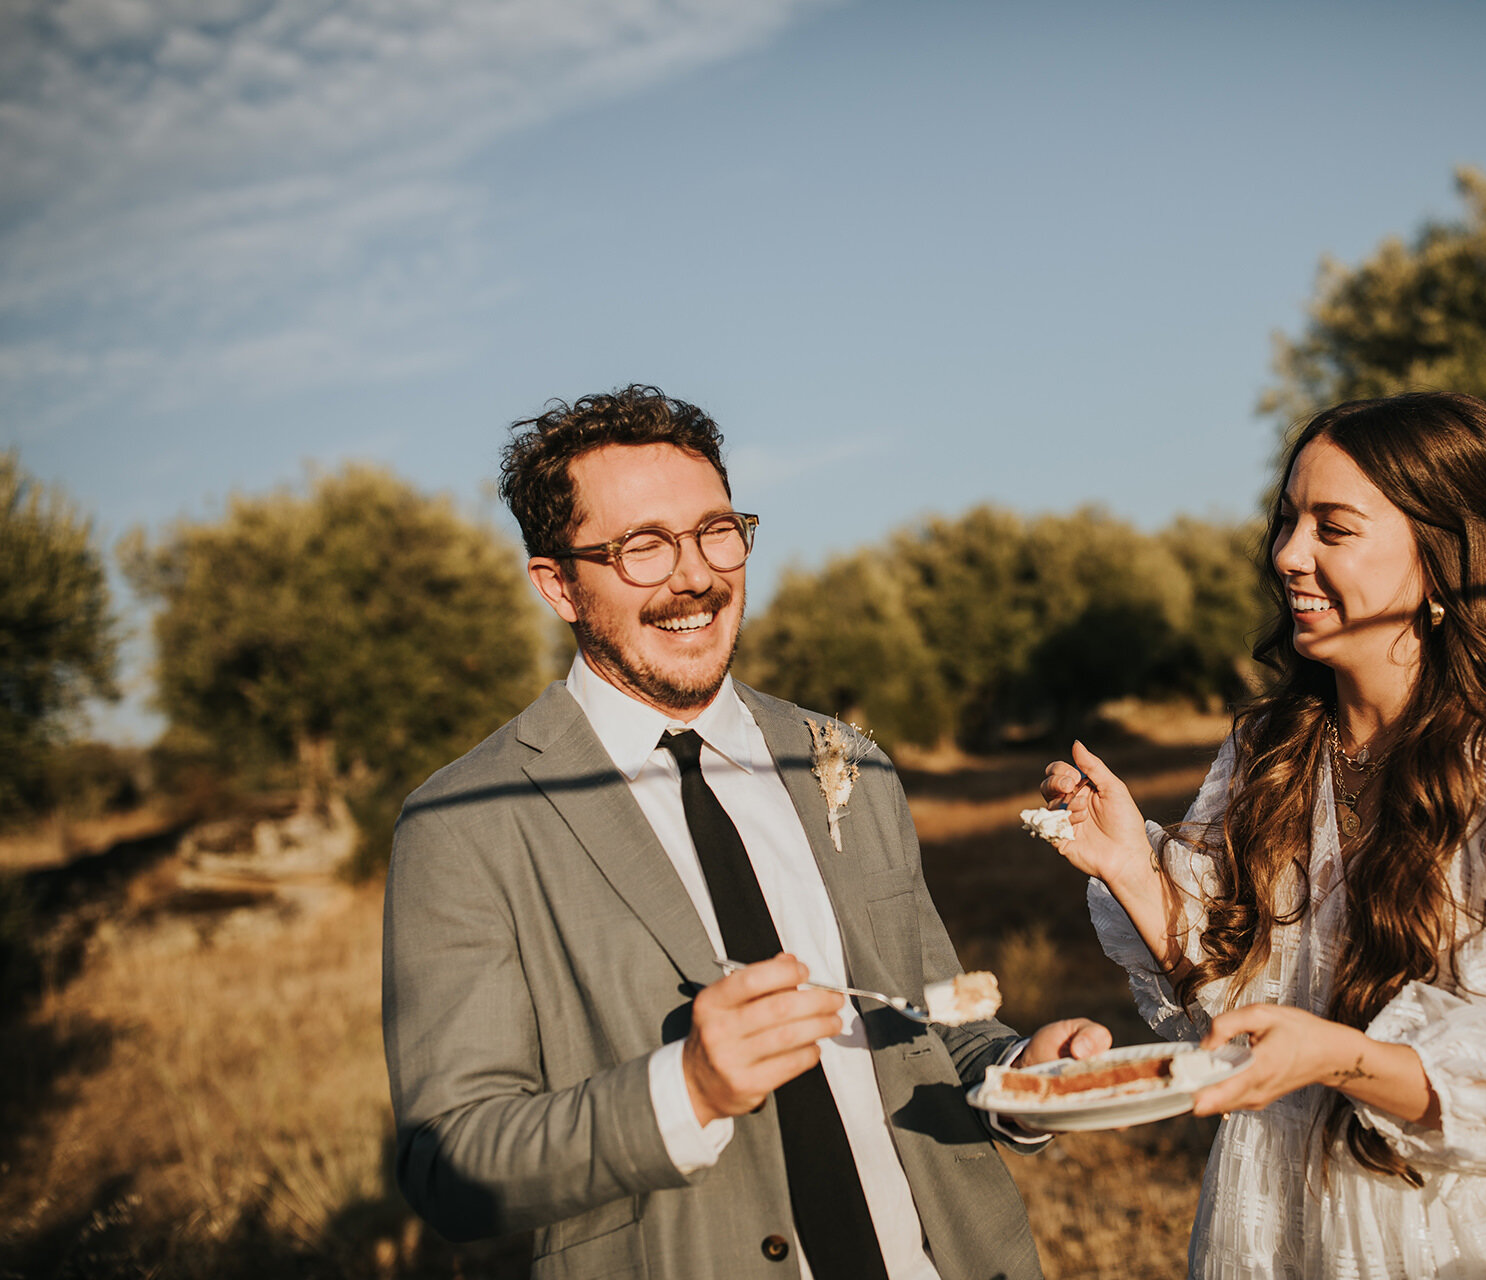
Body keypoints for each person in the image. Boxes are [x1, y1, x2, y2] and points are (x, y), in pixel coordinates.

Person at [383, 384, 1109, 1280]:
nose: (696, 577)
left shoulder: (848, 762)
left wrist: (1023, 1077)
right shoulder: (465, 824)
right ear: (558, 585)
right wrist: (684, 1092)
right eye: (642, 547)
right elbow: (447, 1164)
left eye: (715, 531)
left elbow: (933, 1021)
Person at [1039, 392, 1486, 1279]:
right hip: (1281, 1222)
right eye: (1287, 521)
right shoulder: (1266, 751)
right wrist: (1131, 864)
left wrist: (1348, 1059)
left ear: (1437, 557)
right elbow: (1232, 1004)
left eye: (1334, 528)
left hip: (1466, 1230)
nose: (1287, 555)